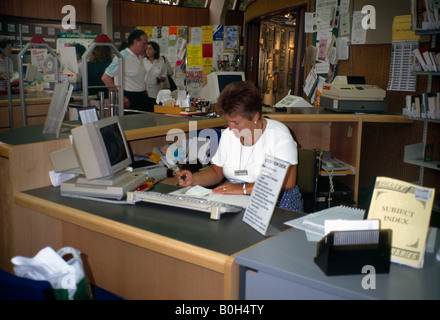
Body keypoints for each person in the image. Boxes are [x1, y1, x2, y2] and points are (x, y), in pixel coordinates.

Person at [175, 81, 303, 211]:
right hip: (237, 199)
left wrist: (243, 189)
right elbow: (216, 172)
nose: (230, 128)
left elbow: (287, 182)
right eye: (228, 121)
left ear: (255, 117)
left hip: (277, 203)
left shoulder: (279, 135)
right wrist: (194, 179)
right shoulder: (228, 135)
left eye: (236, 122)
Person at [101, 29, 154, 112]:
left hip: (142, 95)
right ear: (135, 42)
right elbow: (105, 77)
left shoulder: (140, 57)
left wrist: (145, 91)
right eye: (143, 44)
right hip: (129, 97)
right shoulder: (122, 56)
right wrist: (120, 96)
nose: (146, 47)